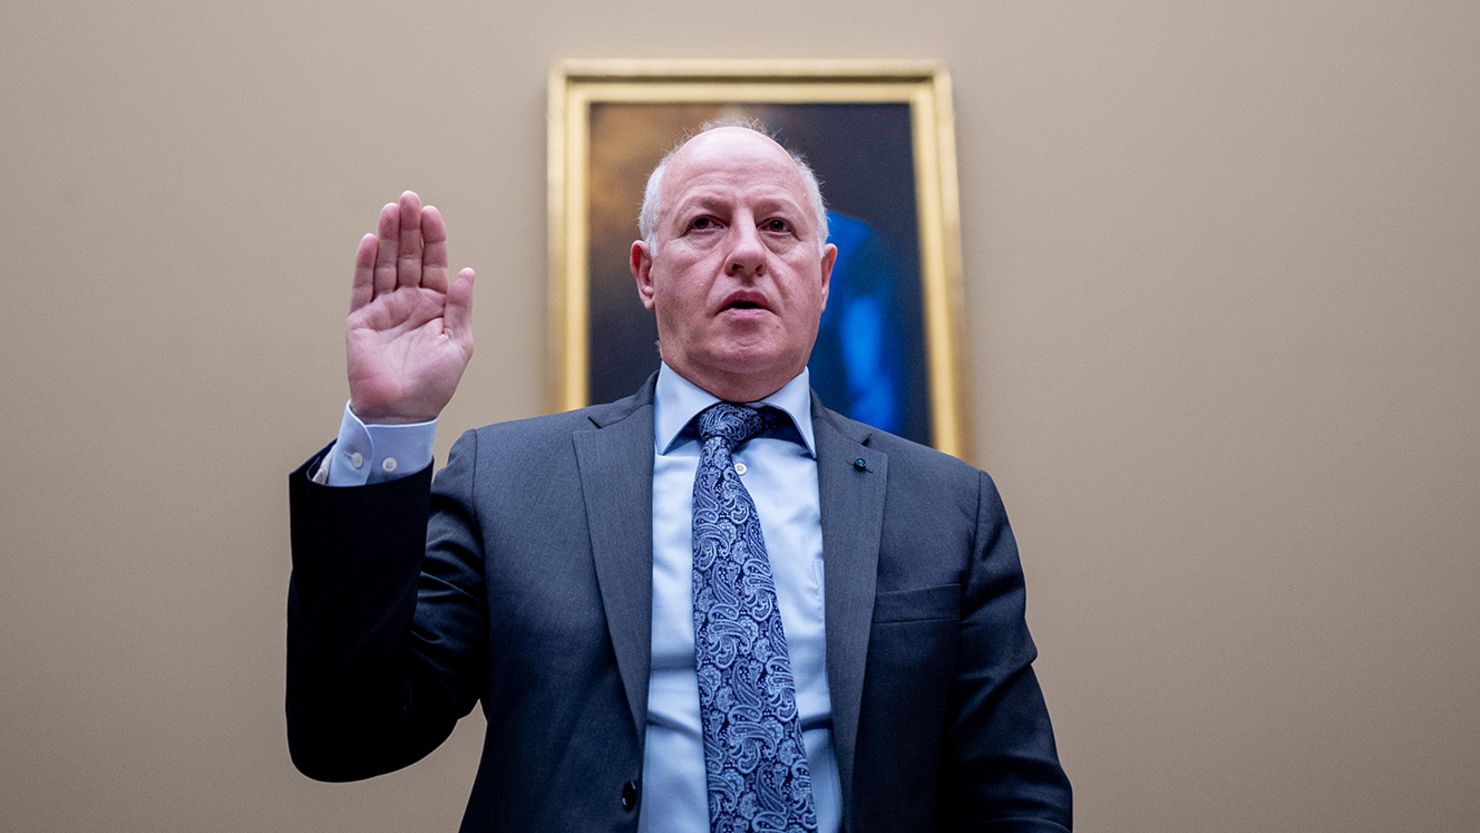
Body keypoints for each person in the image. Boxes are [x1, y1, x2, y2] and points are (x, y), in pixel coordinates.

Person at [286, 125, 1072, 832]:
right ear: (646, 272)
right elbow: (345, 735)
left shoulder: (948, 508)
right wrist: (388, 426)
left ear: (824, 276)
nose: (746, 251)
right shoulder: (511, 481)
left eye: (777, 226)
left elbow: (1015, 797)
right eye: (704, 223)